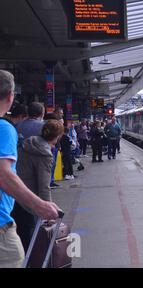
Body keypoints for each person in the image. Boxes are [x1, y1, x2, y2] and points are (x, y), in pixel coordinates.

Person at [0, 70, 59, 268]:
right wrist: (40, 205)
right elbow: (4, 175)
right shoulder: (4, 128)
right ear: (10, 96)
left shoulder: (18, 127)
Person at [12, 120, 64, 251]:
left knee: (18, 235)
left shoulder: (27, 144)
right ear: (57, 137)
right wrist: (49, 212)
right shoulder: (45, 155)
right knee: (29, 241)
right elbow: (44, 186)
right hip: (28, 200)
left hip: (12, 194)